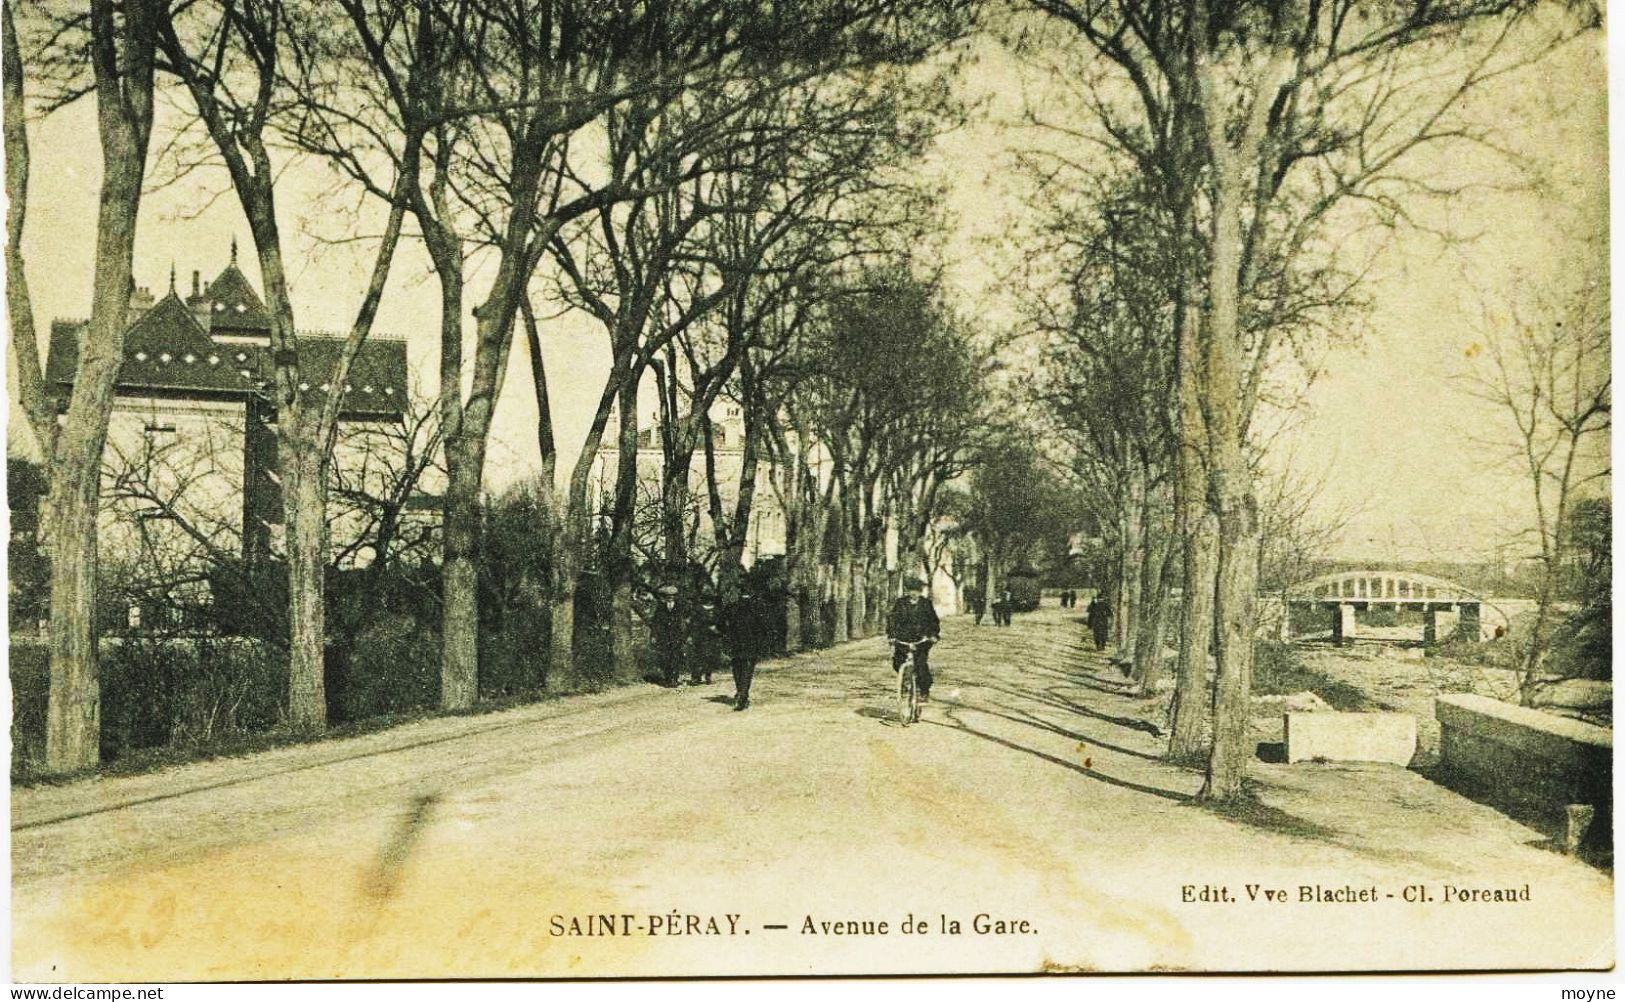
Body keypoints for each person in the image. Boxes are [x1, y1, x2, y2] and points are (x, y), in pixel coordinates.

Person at [887, 576, 940, 702]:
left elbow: (933, 621)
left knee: (921, 665)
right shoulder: (901, 603)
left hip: (921, 639)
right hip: (903, 638)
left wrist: (933, 635)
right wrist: (892, 635)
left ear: (920, 591)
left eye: (916, 590)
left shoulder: (926, 604)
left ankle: (924, 691)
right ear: (907, 591)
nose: (914, 593)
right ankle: (905, 681)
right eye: (911, 590)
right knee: (898, 662)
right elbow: (892, 620)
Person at [724, 583, 770, 710]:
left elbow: (724, 625)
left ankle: (741, 692)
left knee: (737, 668)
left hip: (736, 643)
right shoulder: (758, 607)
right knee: (747, 669)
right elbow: (764, 628)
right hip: (751, 644)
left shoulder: (732, 607)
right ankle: (743, 694)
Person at [652, 583, 686, 687]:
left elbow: (684, 622)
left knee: (675, 657)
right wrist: (654, 635)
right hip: (664, 636)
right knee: (665, 657)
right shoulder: (660, 608)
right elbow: (655, 622)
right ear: (665, 597)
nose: (670, 598)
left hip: (676, 636)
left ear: (675, 597)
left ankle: (674, 679)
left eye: (672, 596)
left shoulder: (680, 607)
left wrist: (683, 636)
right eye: (668, 596)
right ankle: (667, 678)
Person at [690, 592, 724, 685]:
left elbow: (721, 622)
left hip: (713, 636)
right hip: (701, 636)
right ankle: (696, 676)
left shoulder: (717, 610)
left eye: (711, 599)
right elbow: (693, 623)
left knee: (711, 656)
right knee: (699, 655)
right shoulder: (698, 610)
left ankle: (708, 675)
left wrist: (717, 630)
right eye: (707, 599)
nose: (709, 601)